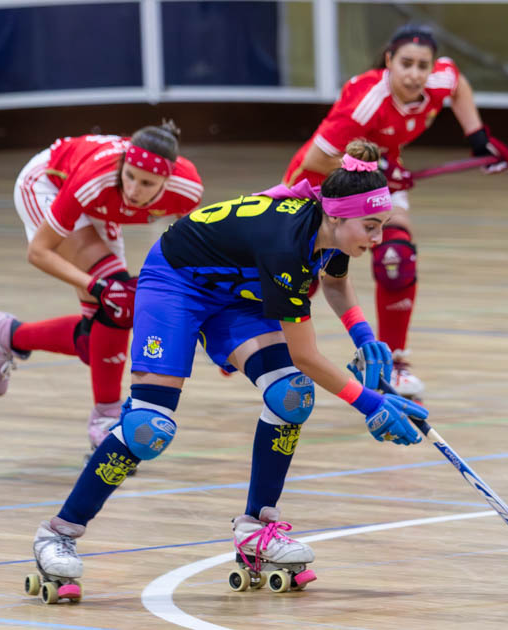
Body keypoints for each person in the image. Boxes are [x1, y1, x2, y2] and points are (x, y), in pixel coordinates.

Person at [25, 140, 429, 600]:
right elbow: (306, 355)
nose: (378, 240)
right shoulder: (286, 248)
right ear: (335, 217)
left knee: (291, 395)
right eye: (371, 227)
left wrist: (362, 335)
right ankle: (57, 533)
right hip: (176, 284)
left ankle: (257, 529)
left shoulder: (329, 231)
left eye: (381, 227)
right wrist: (370, 403)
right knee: (146, 428)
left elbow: (334, 278)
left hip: (236, 295)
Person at [283, 23, 508, 399]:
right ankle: (248, 338)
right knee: (304, 280)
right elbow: (317, 157)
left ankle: (393, 365)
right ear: (389, 61)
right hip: (319, 182)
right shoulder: (367, 101)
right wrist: (381, 171)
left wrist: (479, 139)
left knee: (397, 258)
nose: (414, 74)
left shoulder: (437, 80)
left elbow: (457, 84)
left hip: (379, 179)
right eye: (406, 64)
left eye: (422, 65)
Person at [0, 122, 203, 445]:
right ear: (122, 165)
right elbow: (38, 252)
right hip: (48, 185)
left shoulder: (187, 191)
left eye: (146, 183)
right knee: (117, 301)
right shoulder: (98, 177)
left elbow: (191, 260)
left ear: (167, 180)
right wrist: (99, 287)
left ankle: (8, 334)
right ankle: (106, 418)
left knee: (96, 340)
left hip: (99, 207)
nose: (133, 190)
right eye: (129, 176)